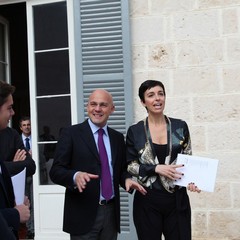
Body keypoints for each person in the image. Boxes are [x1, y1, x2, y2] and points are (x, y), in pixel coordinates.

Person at [50, 89, 146, 240]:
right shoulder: (71, 133)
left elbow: (120, 170)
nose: (97, 109)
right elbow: (55, 171)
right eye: (93, 104)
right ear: (87, 107)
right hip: (82, 214)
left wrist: (126, 179)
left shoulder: (117, 138)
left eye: (103, 105)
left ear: (112, 109)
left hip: (110, 214)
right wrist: (75, 176)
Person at [126, 80, 200, 240]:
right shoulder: (135, 131)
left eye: (161, 94)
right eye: (151, 95)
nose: (157, 98)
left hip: (177, 200)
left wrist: (193, 180)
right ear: (143, 102)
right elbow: (131, 166)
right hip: (147, 199)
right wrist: (156, 168)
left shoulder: (180, 126)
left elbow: (188, 159)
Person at [0, 80, 30, 239]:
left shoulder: (11, 135)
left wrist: (15, 204)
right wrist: (15, 214)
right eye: (9, 108)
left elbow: (30, 166)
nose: (13, 113)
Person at [19, 116, 35, 239]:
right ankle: (27, 229)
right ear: (20, 127)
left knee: (34, 202)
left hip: (36, 176)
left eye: (28, 124)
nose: (27, 127)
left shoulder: (36, 140)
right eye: (24, 125)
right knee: (25, 203)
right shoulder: (17, 141)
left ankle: (33, 228)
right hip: (22, 175)